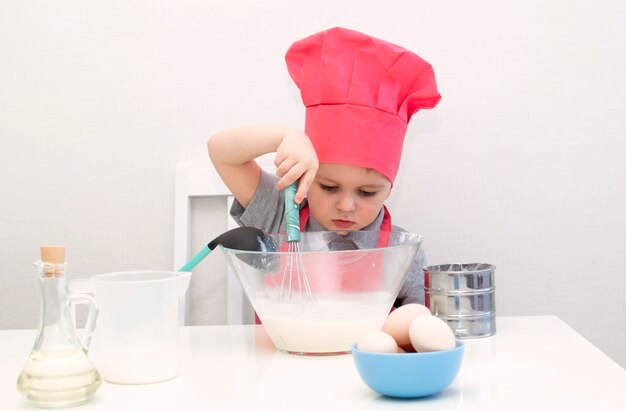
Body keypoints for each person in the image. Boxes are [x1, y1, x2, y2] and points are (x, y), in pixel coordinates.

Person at [208, 27, 440, 306]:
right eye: (329, 187)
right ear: (307, 175)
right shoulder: (280, 214)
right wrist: (283, 137)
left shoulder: (402, 252)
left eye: (367, 193)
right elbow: (221, 152)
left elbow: (419, 326)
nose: (345, 205)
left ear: (390, 188)